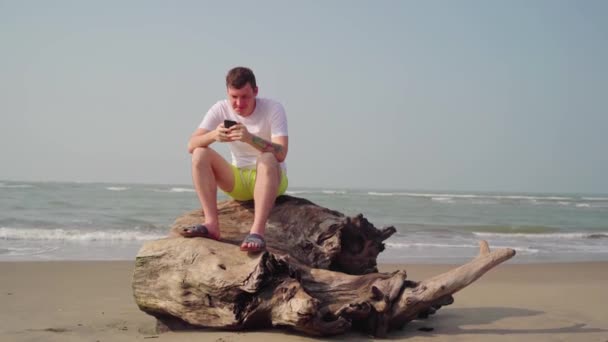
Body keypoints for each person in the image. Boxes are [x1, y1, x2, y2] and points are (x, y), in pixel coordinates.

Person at [181, 67, 289, 252]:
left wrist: (250, 138)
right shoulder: (220, 108)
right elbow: (191, 144)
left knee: (268, 157)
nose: (239, 103)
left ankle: (257, 232)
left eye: (245, 97)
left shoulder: (273, 108)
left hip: (271, 178)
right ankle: (211, 224)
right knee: (200, 153)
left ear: (255, 91)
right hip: (238, 180)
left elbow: (281, 153)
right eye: (234, 97)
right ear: (227, 93)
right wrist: (214, 135)